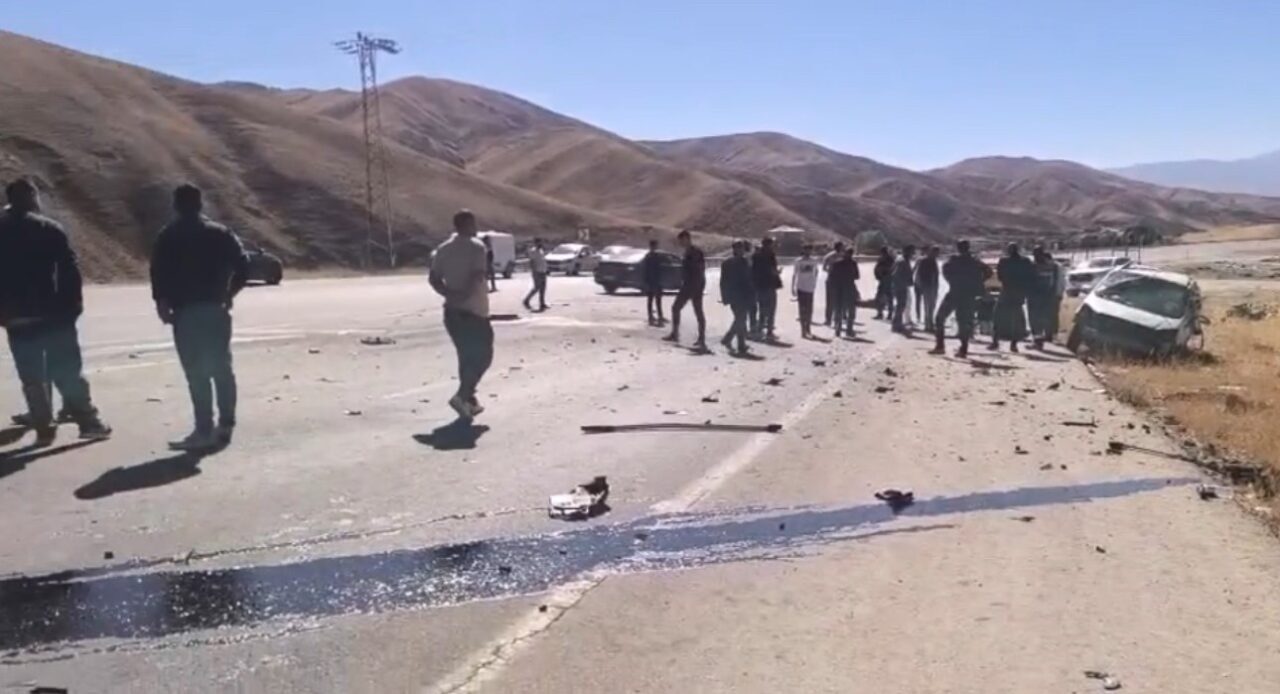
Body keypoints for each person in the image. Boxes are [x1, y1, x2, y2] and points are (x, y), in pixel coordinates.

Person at [0, 178, 112, 446]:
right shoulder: (49, 229)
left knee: (32, 377)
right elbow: (69, 271)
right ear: (32, 197)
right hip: (53, 314)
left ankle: (43, 426)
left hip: (16, 316)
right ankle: (88, 422)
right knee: (67, 371)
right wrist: (73, 307)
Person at [150, 184, 249, 450]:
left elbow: (158, 273)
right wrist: (229, 293)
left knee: (196, 372)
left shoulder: (168, 235)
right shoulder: (220, 233)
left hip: (185, 312)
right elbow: (244, 266)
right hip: (215, 309)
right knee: (221, 367)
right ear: (200, 204)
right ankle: (226, 424)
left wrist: (162, 303)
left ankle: (203, 428)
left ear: (175, 205)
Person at [430, 210, 494, 420]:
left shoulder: (443, 249)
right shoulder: (477, 247)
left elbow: (434, 278)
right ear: (468, 225)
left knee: (465, 356)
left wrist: (449, 294)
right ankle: (462, 396)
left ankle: (469, 401)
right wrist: (464, 296)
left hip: (451, 312)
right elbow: (477, 276)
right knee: (484, 356)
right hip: (474, 311)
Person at [931, 240, 991, 358]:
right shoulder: (974, 261)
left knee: (940, 318)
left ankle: (940, 346)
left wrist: (952, 281)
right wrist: (977, 282)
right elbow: (988, 272)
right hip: (968, 294)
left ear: (958, 248)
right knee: (964, 322)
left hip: (955, 292)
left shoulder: (954, 260)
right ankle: (963, 349)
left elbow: (945, 269)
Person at [664, 230, 707, 350]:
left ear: (687, 239)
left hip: (693, 285)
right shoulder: (690, 252)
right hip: (692, 284)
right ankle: (678, 334)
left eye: (682, 240)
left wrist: (694, 285)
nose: (680, 243)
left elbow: (698, 269)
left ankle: (699, 338)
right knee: (689, 310)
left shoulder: (694, 252)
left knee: (690, 310)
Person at [991, 243, 1035, 353]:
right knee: (1016, 319)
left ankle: (995, 341)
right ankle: (1013, 344)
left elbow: (1000, 277)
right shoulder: (1025, 261)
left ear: (1009, 251)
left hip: (1006, 291)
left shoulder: (1004, 261)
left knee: (998, 317)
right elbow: (1030, 276)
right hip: (1019, 292)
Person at [719, 240, 754, 356]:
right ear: (734, 249)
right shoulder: (727, 263)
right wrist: (725, 297)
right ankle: (737, 343)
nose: (740, 250)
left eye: (742, 248)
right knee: (740, 319)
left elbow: (749, 279)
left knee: (740, 319)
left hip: (744, 294)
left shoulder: (746, 262)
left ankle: (733, 341)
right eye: (738, 248)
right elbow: (723, 281)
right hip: (734, 295)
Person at [1028, 246, 1062, 349]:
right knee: (1044, 317)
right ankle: (1044, 338)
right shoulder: (1053, 266)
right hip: (1045, 296)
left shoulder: (1033, 266)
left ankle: (1039, 340)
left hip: (1037, 297)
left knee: (1036, 319)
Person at [751, 237, 782, 340]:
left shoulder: (756, 255)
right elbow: (772, 270)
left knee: (762, 309)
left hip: (759, 286)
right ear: (769, 244)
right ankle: (769, 331)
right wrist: (777, 273)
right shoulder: (770, 255)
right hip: (769, 285)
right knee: (771, 309)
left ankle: (760, 330)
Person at [828, 248, 861, 338]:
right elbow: (857, 276)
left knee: (839, 309)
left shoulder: (837, 264)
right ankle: (848, 330)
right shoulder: (853, 263)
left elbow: (831, 277)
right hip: (849, 287)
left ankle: (838, 329)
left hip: (839, 288)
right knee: (850, 310)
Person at [791, 245, 821, 339]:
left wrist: (814, 281)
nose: (808, 252)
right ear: (803, 250)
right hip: (801, 287)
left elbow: (816, 271)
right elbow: (794, 274)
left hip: (810, 287)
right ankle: (803, 330)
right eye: (806, 250)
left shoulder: (814, 261)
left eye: (809, 250)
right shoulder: (798, 261)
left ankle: (808, 328)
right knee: (802, 309)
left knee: (809, 309)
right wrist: (792, 287)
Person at [914, 245, 941, 332]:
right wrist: (921, 286)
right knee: (928, 306)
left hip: (932, 286)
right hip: (928, 286)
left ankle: (929, 323)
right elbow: (919, 274)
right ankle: (928, 324)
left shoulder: (932, 261)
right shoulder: (925, 261)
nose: (937, 254)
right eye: (936, 252)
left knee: (931, 306)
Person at [891, 245, 917, 334]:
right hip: (900, 286)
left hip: (901, 286)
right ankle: (896, 324)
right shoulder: (902, 261)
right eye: (911, 252)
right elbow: (895, 274)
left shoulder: (902, 260)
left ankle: (897, 323)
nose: (912, 254)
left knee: (901, 305)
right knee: (900, 305)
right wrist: (902, 283)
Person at [640, 239, 665, 326]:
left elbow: (645, 270)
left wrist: (645, 281)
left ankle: (651, 317)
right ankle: (659, 317)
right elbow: (659, 269)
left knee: (651, 300)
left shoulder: (648, 256)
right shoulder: (656, 256)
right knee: (657, 301)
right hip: (655, 281)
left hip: (651, 281)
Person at [822, 241, 846, 326]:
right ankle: (836, 319)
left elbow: (824, 268)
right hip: (838, 280)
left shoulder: (828, 256)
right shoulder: (843, 256)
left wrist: (830, 271)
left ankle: (829, 319)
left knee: (830, 300)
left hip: (832, 279)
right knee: (838, 300)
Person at [522, 237, 548, 312]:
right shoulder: (533, 251)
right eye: (539, 242)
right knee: (536, 288)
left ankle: (542, 303)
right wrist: (534, 271)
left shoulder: (541, 250)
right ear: (536, 243)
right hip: (537, 272)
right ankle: (526, 300)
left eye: (541, 242)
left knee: (543, 289)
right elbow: (532, 262)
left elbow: (542, 261)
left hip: (543, 271)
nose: (541, 244)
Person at [873, 247, 895, 320]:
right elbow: (877, 268)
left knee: (886, 297)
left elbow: (890, 269)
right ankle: (883, 313)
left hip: (886, 279)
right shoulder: (885, 259)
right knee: (885, 297)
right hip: (884, 279)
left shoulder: (889, 259)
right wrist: (878, 275)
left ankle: (886, 314)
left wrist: (881, 274)